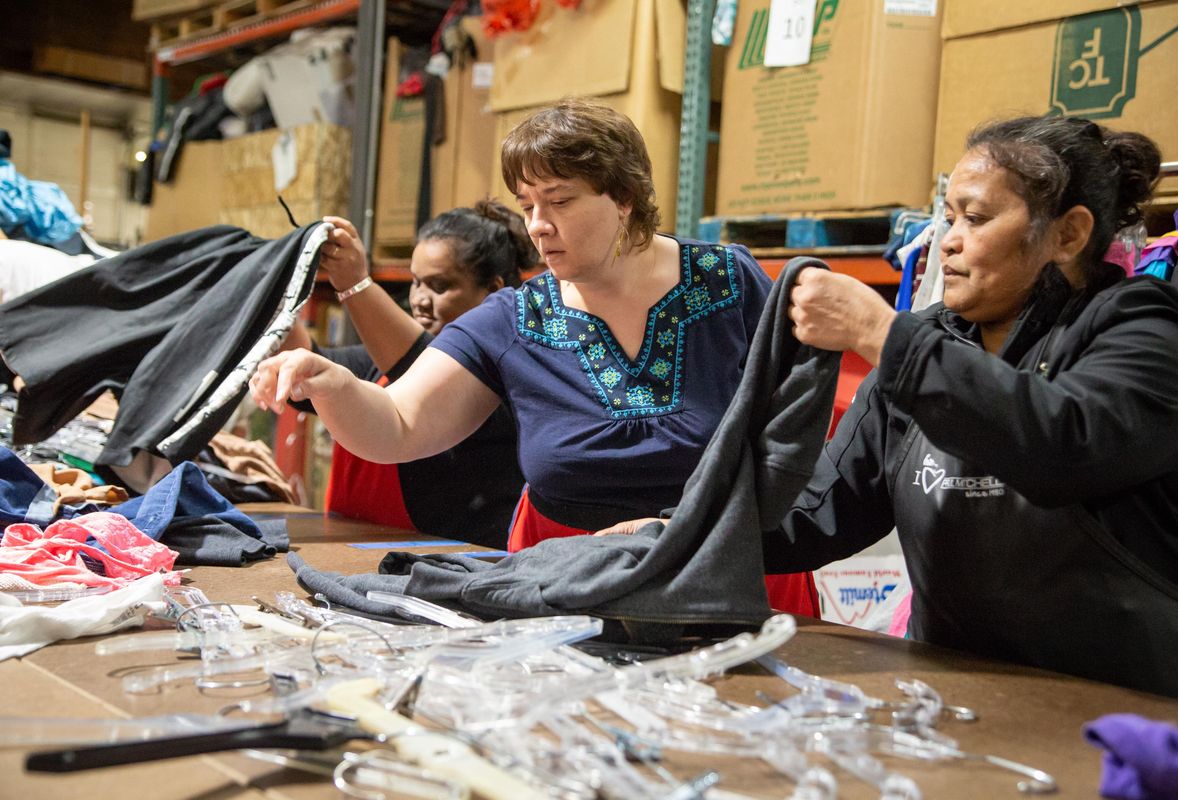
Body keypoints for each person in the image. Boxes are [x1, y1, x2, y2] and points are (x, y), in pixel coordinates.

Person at [251, 99, 820, 616]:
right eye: (527, 205)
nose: (538, 225)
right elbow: (399, 424)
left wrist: (678, 525)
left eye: (560, 201)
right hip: (568, 597)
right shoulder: (517, 318)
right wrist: (330, 384)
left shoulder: (729, 284)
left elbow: (794, 437)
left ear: (624, 196)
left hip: (734, 578)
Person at [773, 115, 1178, 700]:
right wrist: (678, 532)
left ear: (1068, 235)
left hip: (1123, 709)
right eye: (949, 217)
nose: (948, 238)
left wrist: (881, 333)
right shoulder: (925, 342)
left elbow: (1062, 442)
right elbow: (820, 511)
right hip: (960, 699)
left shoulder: (1144, 330)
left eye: (974, 219)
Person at [282, 202, 537, 549]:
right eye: (416, 283)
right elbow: (304, 373)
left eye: (439, 285)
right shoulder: (378, 365)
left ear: (493, 291)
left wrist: (354, 283)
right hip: (362, 568)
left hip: (457, 574)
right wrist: (278, 288)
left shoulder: (507, 381)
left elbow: (420, 365)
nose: (419, 299)